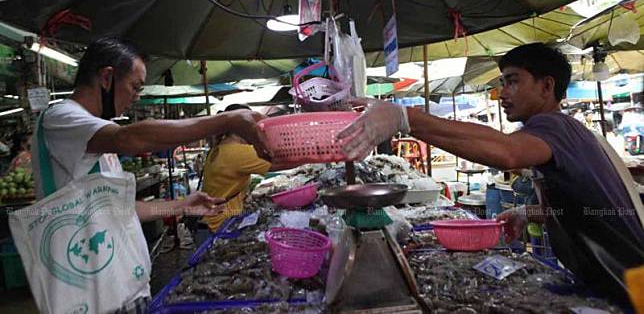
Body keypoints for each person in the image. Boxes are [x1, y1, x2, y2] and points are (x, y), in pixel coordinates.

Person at [338, 43, 644, 304]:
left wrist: (405, 118)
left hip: (629, 283)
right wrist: (530, 212)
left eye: (512, 81)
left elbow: (507, 152)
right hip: (607, 280)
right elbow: (584, 202)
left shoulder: (555, 126)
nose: (502, 93)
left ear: (547, 86)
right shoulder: (563, 132)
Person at [31, 37, 271, 311]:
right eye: (135, 87)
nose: (136, 97)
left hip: (121, 288)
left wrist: (181, 205)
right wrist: (225, 120)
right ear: (107, 77)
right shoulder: (62, 118)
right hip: (92, 297)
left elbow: (119, 209)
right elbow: (129, 139)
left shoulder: (96, 134)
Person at [201, 104, 273, 232]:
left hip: (210, 220)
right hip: (221, 224)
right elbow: (281, 161)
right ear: (242, 127)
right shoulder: (237, 152)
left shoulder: (220, 147)